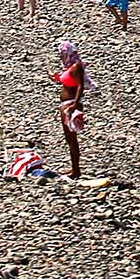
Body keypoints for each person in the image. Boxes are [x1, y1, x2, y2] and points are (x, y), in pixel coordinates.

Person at [53, 40, 87, 177]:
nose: (61, 56)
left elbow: (80, 86)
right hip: (66, 103)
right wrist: (57, 79)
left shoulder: (76, 66)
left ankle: (76, 170)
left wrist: (75, 105)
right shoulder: (69, 67)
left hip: (71, 103)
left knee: (72, 138)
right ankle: (74, 168)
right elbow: (69, 82)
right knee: (69, 138)